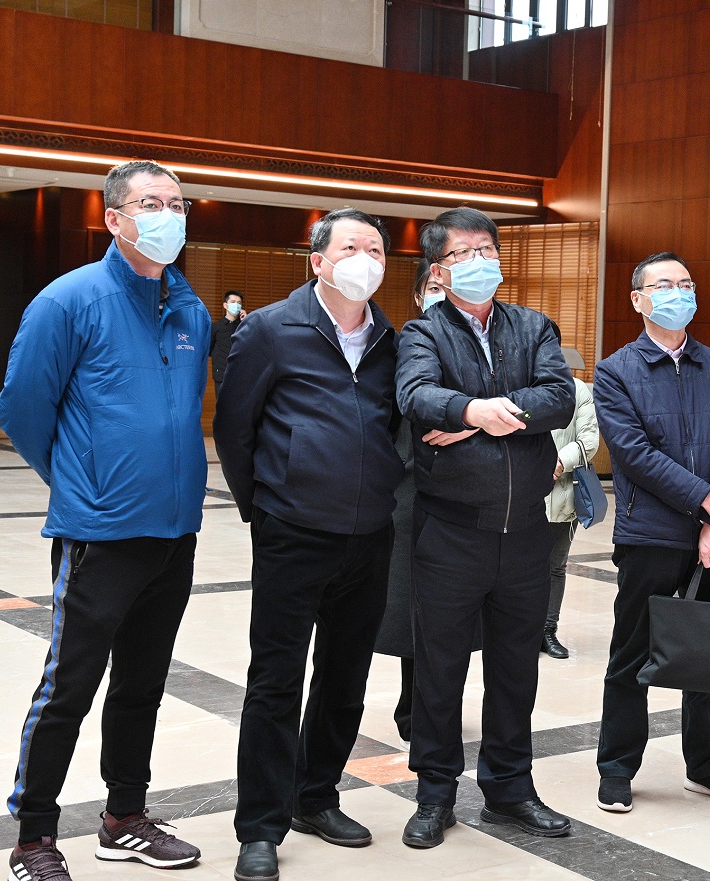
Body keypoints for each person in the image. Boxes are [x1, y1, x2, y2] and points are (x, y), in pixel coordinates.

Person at [0, 160, 208, 881]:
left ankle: (124, 819)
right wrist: (80, 483)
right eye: (151, 203)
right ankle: (34, 837)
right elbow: (21, 409)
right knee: (69, 688)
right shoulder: (68, 300)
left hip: (174, 531)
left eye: (177, 203)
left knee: (142, 684)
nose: (168, 215)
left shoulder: (190, 308)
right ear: (114, 218)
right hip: (99, 533)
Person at [214, 208, 404, 881]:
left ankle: (315, 796)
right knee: (276, 680)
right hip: (292, 531)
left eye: (375, 249)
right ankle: (260, 825)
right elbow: (234, 428)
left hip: (370, 533)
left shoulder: (391, 340)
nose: (365, 258)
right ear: (318, 260)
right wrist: (264, 507)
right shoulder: (271, 329)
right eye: (351, 246)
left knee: (346, 676)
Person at [395, 206, 576, 849]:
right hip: (450, 531)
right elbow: (416, 396)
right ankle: (434, 792)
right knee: (439, 669)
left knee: (515, 669)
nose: (479, 261)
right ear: (438, 270)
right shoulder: (422, 332)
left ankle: (510, 788)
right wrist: (475, 408)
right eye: (462, 252)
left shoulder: (534, 326)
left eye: (487, 249)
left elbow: (560, 397)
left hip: (526, 531)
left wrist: (474, 417)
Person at [592, 251, 710, 814]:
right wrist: (706, 502)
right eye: (664, 285)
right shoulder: (615, 371)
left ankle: (704, 766)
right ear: (638, 299)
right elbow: (633, 454)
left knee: (706, 654)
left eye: (686, 283)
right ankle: (617, 768)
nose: (678, 293)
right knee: (631, 654)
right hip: (650, 534)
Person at [373, 262, 444, 748]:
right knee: (412, 609)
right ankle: (412, 704)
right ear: (419, 296)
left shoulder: (484, 349)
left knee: (452, 612)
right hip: (410, 490)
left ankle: (439, 702)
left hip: (466, 493)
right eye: (432, 288)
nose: (440, 294)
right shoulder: (401, 348)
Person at [541, 324, 600, 660]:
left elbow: (589, 439)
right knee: (515, 569)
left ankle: (548, 631)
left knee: (554, 566)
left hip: (561, 495)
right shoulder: (516, 386)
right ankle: (519, 631)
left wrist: (559, 461)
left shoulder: (577, 390)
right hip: (520, 497)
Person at [210, 289, 246, 395]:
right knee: (221, 404)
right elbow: (209, 349)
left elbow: (252, 347)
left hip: (240, 375)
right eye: (233, 302)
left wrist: (246, 322)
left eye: (239, 303)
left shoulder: (244, 326)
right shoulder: (216, 327)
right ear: (225, 305)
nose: (236, 305)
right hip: (221, 375)